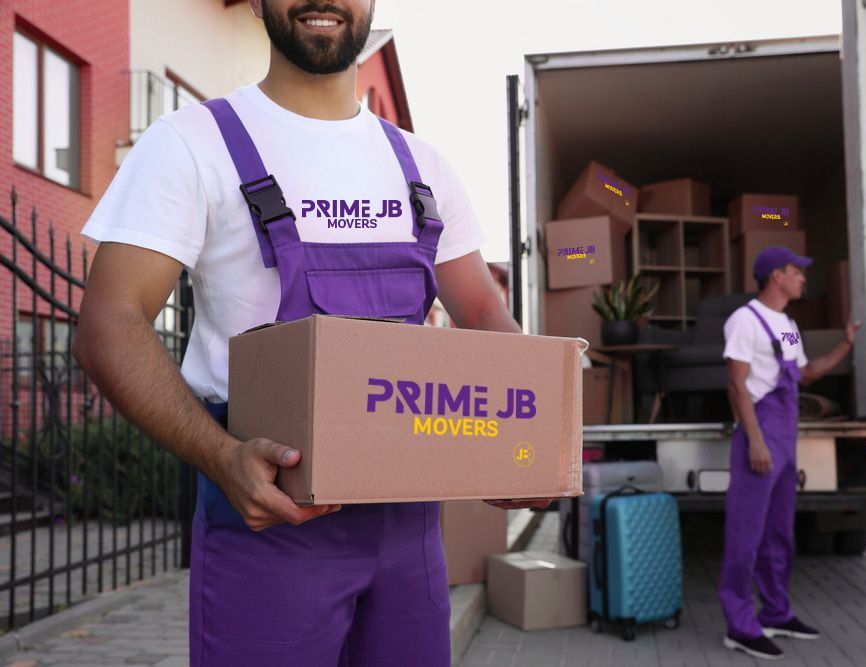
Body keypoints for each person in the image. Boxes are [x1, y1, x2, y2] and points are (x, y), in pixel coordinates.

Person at [72, 1, 550, 665]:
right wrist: (220, 456)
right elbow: (108, 324)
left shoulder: (421, 166)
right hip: (266, 517)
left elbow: (483, 315)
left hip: (408, 528)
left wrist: (532, 439)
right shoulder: (192, 143)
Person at [718, 246, 862, 661]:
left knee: (779, 532)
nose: (803, 278)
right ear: (775, 276)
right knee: (746, 534)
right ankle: (740, 627)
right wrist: (756, 441)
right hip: (759, 437)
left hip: (784, 438)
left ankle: (776, 613)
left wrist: (845, 344)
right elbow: (736, 386)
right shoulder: (744, 320)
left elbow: (805, 374)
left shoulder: (789, 326)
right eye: (796, 271)